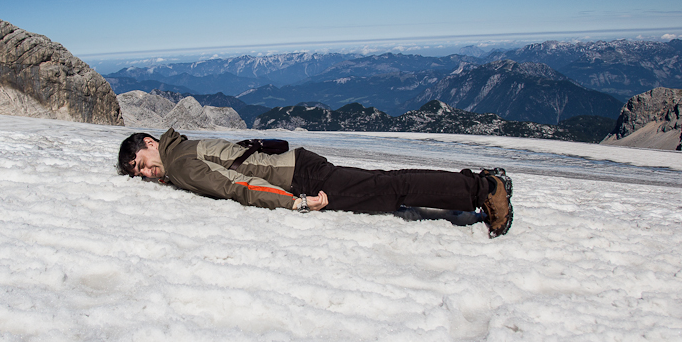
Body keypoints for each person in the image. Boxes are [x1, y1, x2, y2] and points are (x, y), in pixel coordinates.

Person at [118, 128, 514, 237]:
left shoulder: (182, 163)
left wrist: (296, 203)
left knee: (391, 189)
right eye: (137, 173)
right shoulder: (182, 148)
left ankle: (485, 190)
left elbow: (235, 184)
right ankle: (478, 185)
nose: (144, 173)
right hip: (297, 165)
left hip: (298, 177)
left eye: (140, 162)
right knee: (386, 188)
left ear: (150, 144)